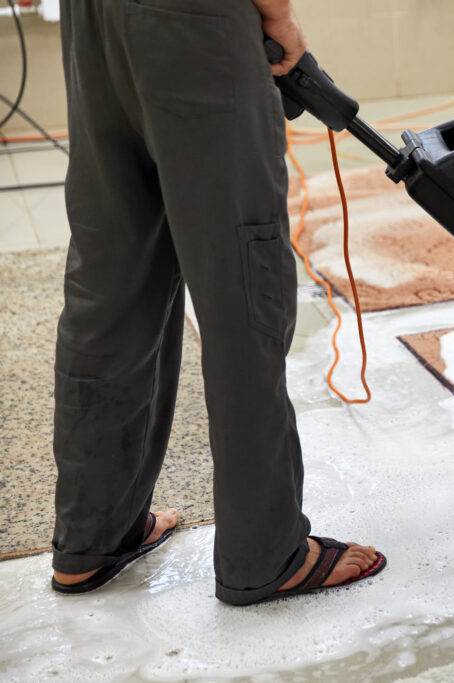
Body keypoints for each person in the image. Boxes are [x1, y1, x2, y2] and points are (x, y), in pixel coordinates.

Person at [49, 0, 385, 606]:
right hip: (193, 22)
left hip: (91, 20)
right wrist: (278, 16)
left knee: (111, 275)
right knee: (241, 282)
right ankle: (266, 553)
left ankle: (91, 538)